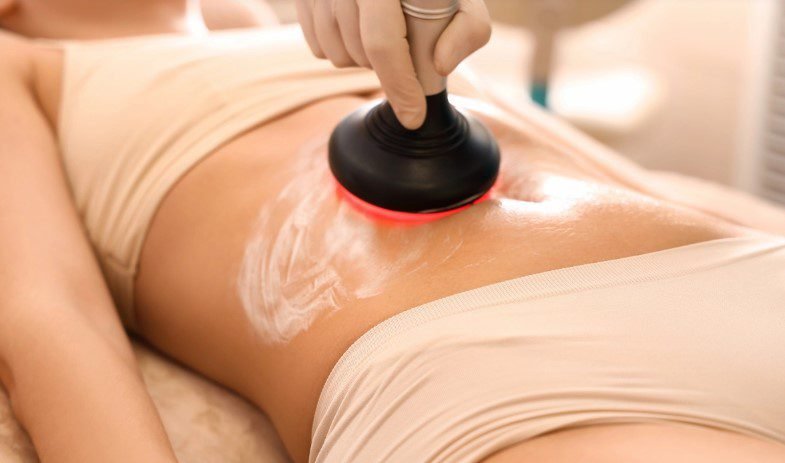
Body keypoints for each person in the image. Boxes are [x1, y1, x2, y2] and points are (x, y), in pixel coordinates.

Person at [0, 1, 784, 462]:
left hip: (729, 276)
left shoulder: (270, 20)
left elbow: (579, 156)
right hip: (483, 371)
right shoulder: (21, 61)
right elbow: (49, 317)